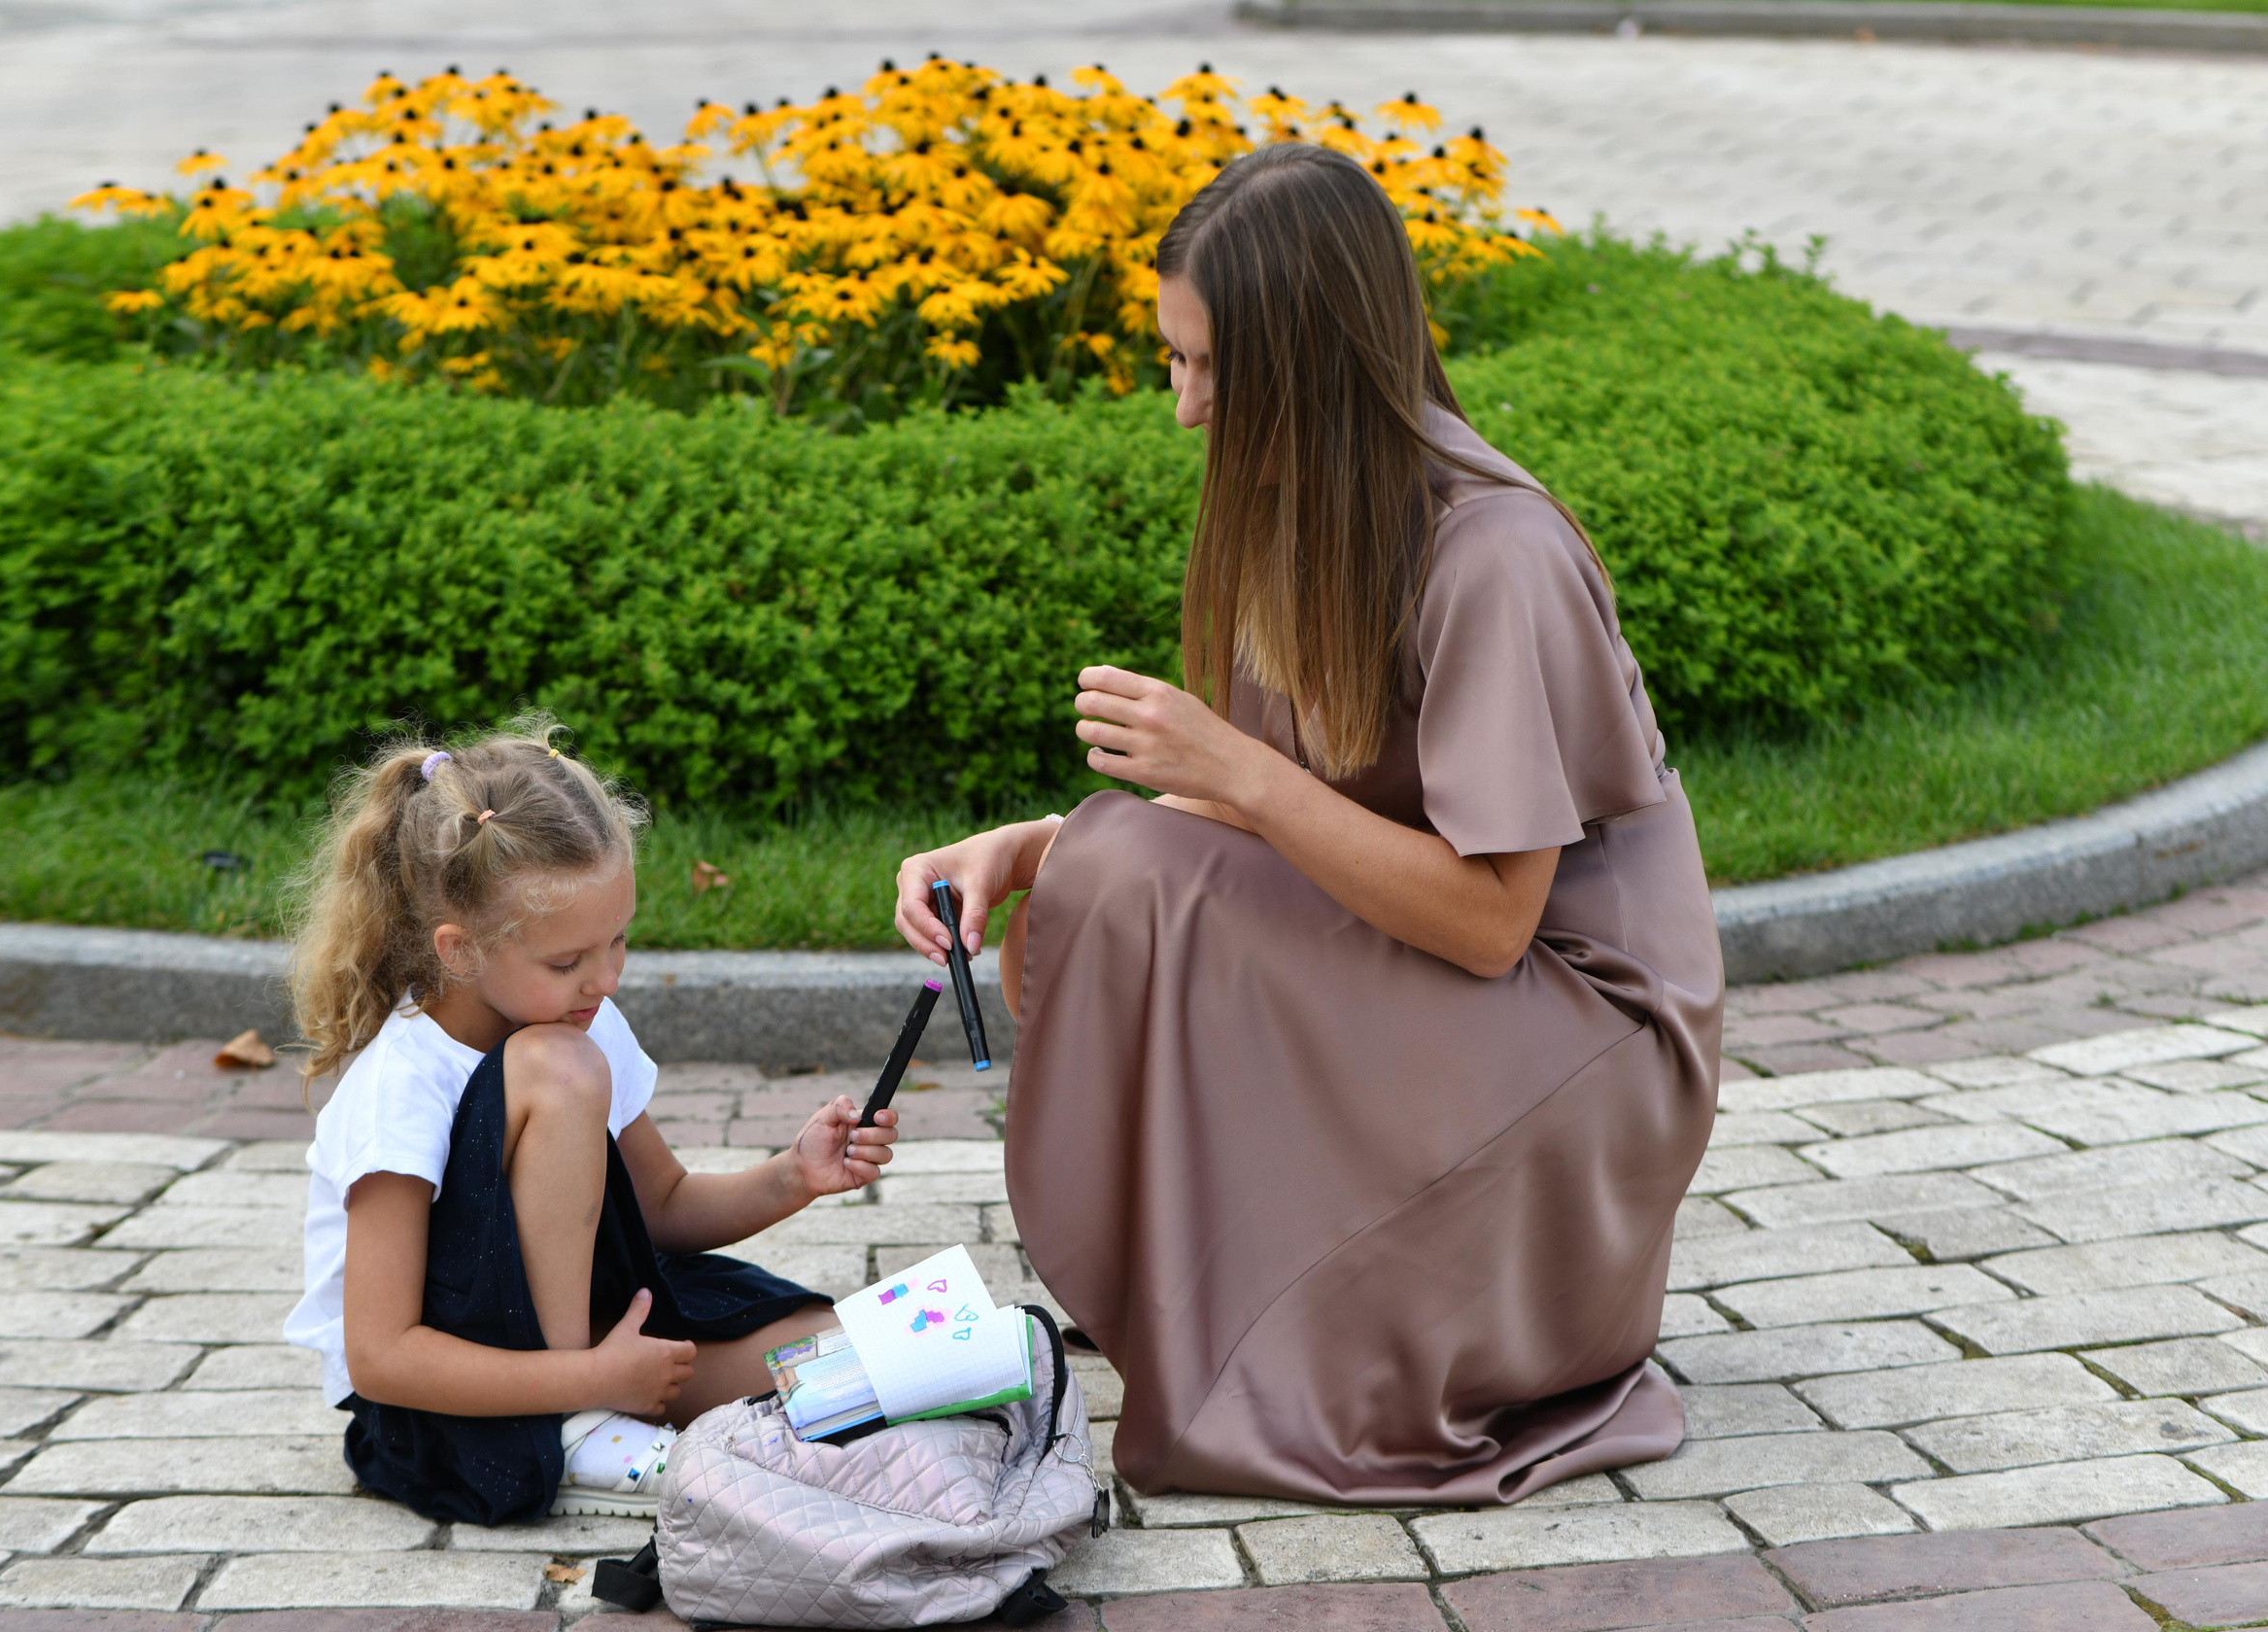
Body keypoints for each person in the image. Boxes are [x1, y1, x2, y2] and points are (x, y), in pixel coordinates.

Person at [892, 145, 1721, 1506]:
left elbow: (1490, 919)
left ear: (1317, 364)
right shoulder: (1310, 519)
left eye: (1214, 370)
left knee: (1123, 862)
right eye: (1173, 361)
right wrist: (1025, 851)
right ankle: (1228, 1274)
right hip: (1475, 1006)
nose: (1184, 409)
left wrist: (1232, 777)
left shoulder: (1493, 553)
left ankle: (1374, 1297)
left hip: (1583, 1050)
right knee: (1102, 871)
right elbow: (1227, 832)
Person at [282, 718, 896, 1525]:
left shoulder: (582, 1015)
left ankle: (607, 1414)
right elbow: (382, 1356)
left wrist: (794, 1176)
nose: (602, 981)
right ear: (459, 950)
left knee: (857, 1365)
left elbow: (664, 1207)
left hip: (602, 1341)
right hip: (454, 1409)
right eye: (567, 961)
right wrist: (591, 1383)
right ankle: (578, 1430)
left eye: (618, 943)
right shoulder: (405, 1081)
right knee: (556, 1066)